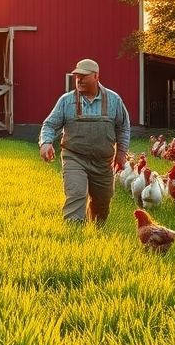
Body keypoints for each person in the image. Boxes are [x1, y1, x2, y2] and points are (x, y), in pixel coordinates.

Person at [39, 58, 130, 224]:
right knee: (76, 194)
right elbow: (50, 125)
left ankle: (96, 235)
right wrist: (46, 142)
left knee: (102, 205)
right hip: (74, 157)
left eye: (83, 76)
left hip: (103, 162)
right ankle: (74, 235)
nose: (79, 79)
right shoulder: (66, 101)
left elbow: (123, 127)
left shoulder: (114, 100)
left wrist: (122, 152)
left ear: (96, 76)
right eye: (77, 76)